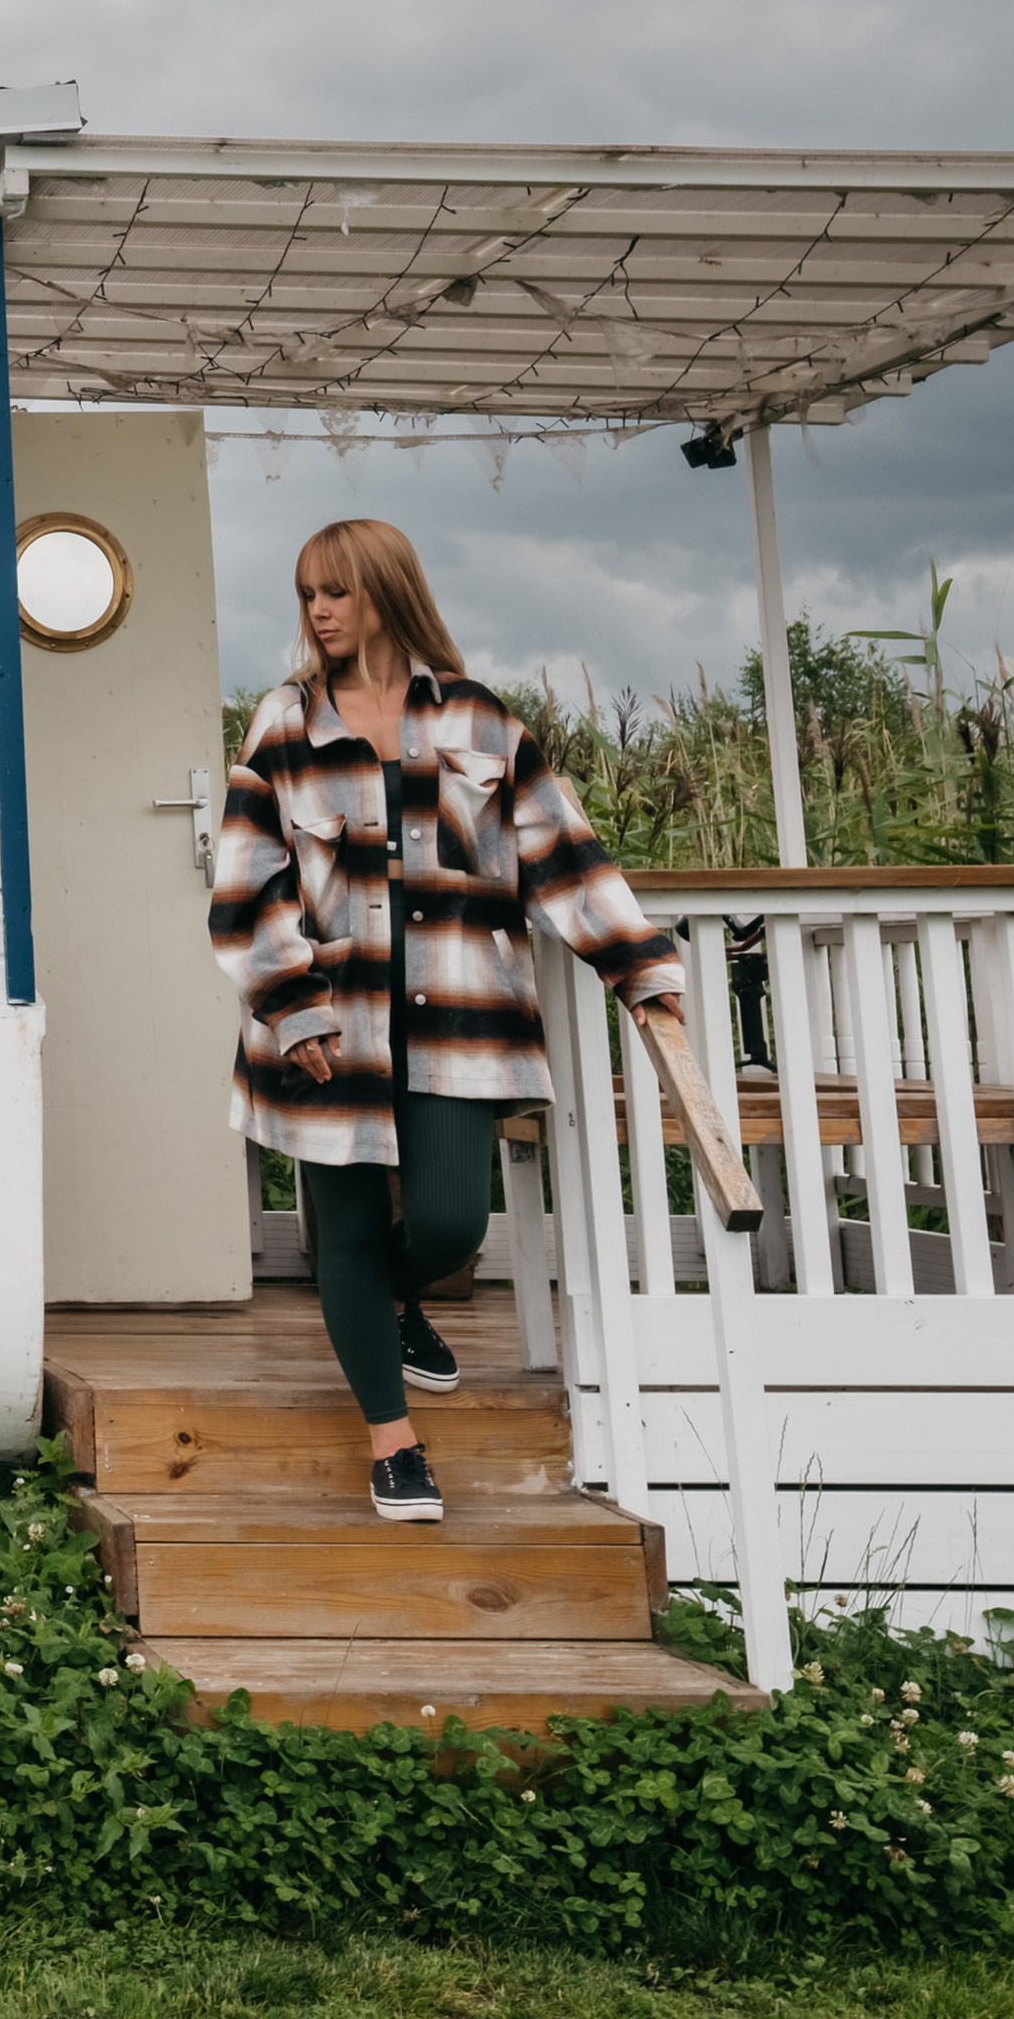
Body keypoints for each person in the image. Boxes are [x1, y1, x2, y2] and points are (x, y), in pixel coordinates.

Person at [207, 518, 685, 1524]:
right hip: (325, 1016)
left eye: (337, 589)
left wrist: (639, 965)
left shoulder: (481, 722)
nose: (318, 610)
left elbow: (564, 855)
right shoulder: (284, 725)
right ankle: (394, 1443)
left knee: (449, 1222)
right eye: (306, 592)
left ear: (387, 590)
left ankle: (393, 1300)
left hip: (461, 1010)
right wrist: (293, 1009)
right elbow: (247, 885)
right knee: (343, 1223)